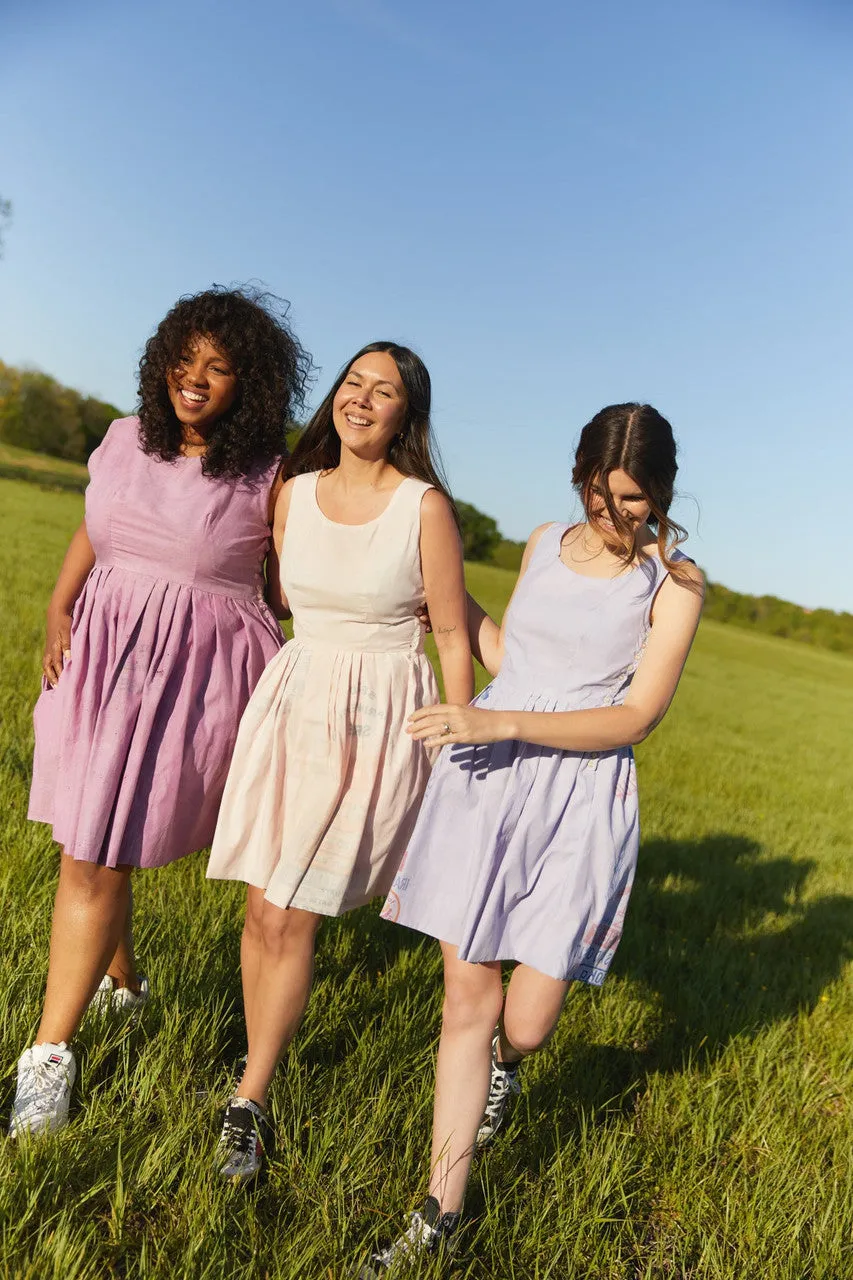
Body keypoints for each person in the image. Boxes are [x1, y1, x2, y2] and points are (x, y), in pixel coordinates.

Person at [363, 403, 705, 1273]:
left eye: (633, 498)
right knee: (464, 1006)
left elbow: (636, 715)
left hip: (581, 800)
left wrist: (501, 719)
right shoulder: (543, 541)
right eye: (600, 491)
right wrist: (445, 593)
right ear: (578, 474)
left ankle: (509, 1066)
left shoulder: (676, 586)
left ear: (660, 492)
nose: (614, 512)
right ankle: (441, 1209)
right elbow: (511, 648)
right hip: (488, 786)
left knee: (530, 1016)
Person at [10, 286, 311, 1138]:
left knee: (99, 853)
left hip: (198, 675)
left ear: (248, 388)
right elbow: (94, 532)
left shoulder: (268, 476)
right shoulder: (120, 440)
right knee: (94, 846)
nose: (196, 380)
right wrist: (59, 607)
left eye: (219, 370)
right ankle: (124, 988)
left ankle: (48, 1057)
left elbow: (292, 591)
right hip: (100, 657)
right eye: (185, 361)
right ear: (162, 363)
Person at [206, 341, 473, 1185]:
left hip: (378, 716)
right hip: (293, 703)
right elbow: (278, 601)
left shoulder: (424, 508)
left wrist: (457, 734)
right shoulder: (292, 492)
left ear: (406, 415)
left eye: (383, 390)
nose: (362, 399)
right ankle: (256, 1075)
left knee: (291, 915)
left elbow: (454, 630)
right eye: (353, 383)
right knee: (262, 911)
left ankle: (248, 1097)